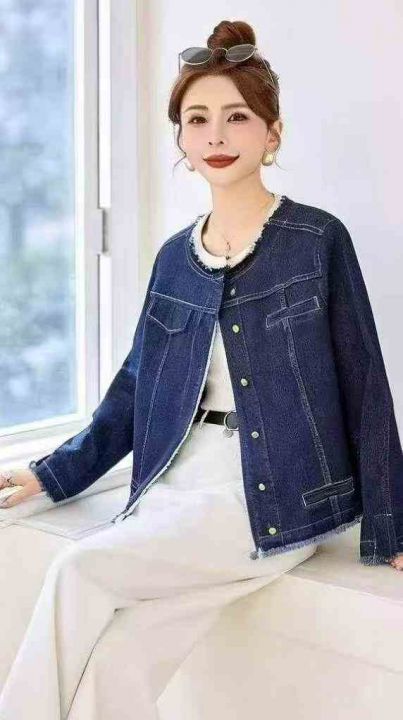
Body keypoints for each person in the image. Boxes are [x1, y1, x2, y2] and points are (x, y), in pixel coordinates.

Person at [0, 17, 402, 720]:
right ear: (181, 142)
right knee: (119, 664)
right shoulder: (173, 260)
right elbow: (134, 390)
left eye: (237, 116)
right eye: (197, 119)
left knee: (77, 571)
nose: (216, 134)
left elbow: (364, 383)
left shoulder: (315, 240)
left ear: (272, 134)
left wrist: (393, 527)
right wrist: (53, 473)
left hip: (273, 496)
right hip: (174, 486)